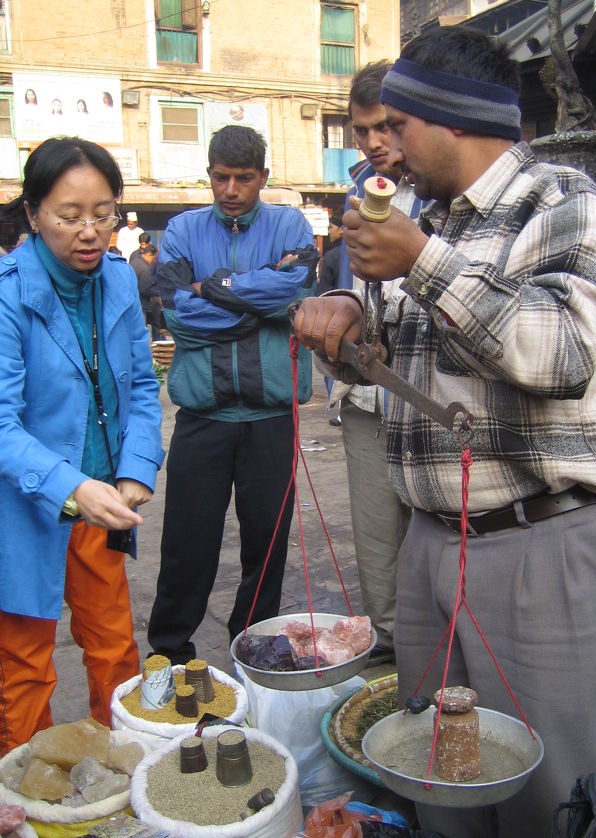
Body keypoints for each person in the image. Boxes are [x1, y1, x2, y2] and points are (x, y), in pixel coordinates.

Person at [292, 27, 596, 838]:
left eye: (397, 127)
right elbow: (430, 363)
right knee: (438, 781)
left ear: (450, 120)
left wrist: (426, 263)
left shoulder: (567, 207)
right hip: (435, 543)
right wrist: (350, 322)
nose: (386, 150)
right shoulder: (431, 223)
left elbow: (559, 353)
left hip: (540, 549)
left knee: (546, 799)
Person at [0, 136, 165, 755]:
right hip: (27, 507)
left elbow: (144, 388)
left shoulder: (119, 283)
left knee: (116, 650)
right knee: (24, 668)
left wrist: (135, 469)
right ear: (35, 213)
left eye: (103, 213)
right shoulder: (8, 293)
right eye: (69, 216)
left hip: (102, 506)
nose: (90, 231)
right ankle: (23, 806)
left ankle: (121, 773)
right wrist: (74, 487)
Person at [148, 125, 318, 662]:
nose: (231, 189)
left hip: (271, 416)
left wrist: (214, 289)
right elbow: (176, 313)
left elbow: (297, 296)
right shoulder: (181, 229)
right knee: (186, 543)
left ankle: (253, 653)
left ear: (262, 178)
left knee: (266, 546)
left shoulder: (291, 224)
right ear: (209, 176)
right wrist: (260, 303)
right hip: (203, 416)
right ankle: (170, 655)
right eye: (221, 177)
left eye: (244, 178)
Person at [332, 60, 422, 664]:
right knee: (376, 538)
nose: (374, 142)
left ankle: (434, 654)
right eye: (362, 130)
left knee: (434, 540)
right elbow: (350, 288)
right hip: (368, 396)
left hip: (433, 400)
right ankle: (390, 652)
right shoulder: (357, 193)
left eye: (387, 126)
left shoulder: (445, 193)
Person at [130, 242, 163, 342]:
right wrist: (159, 294)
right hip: (140, 303)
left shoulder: (134, 262)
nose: (153, 261)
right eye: (153, 258)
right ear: (149, 255)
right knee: (140, 331)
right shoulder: (145, 269)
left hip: (131, 300)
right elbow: (144, 289)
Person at [317, 208, 344, 295]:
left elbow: (324, 293)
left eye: (331, 227)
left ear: (341, 230)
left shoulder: (331, 256)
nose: (329, 231)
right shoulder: (360, 253)